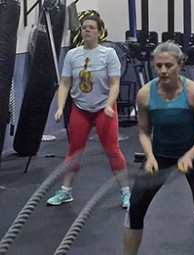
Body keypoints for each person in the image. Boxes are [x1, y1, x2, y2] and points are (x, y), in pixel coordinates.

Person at [123, 41, 194, 255]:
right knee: (135, 207)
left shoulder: (193, 92)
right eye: (159, 66)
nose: (163, 70)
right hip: (159, 155)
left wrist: (190, 155)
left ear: (180, 65)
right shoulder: (145, 94)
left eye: (169, 65)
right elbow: (143, 132)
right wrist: (149, 156)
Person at [46, 14, 131, 209]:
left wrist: (110, 104)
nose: (87, 30)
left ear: (100, 32)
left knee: (112, 150)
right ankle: (65, 192)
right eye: (84, 27)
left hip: (104, 108)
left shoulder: (108, 54)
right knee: (74, 151)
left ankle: (126, 192)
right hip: (81, 108)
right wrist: (59, 107)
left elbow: (115, 84)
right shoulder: (72, 55)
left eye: (91, 27)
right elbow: (65, 83)